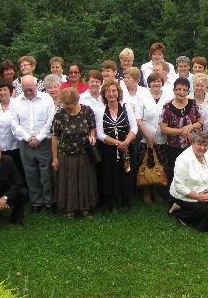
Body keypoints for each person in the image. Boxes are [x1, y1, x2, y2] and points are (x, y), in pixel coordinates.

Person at [10, 75, 55, 212]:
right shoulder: (16, 102)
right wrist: (28, 137)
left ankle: (49, 202)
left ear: (37, 86)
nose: (29, 93)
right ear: (21, 88)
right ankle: (36, 202)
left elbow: (50, 121)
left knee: (46, 173)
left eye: (31, 90)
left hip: (44, 141)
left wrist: (39, 137)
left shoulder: (46, 99)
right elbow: (14, 123)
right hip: (25, 143)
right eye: (26, 90)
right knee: (30, 173)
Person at [51, 88, 98, 217]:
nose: (66, 106)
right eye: (64, 103)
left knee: (84, 180)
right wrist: (55, 158)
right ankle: (69, 209)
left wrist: (92, 135)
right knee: (68, 181)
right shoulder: (60, 114)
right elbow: (55, 137)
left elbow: (92, 128)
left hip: (84, 153)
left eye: (68, 104)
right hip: (66, 154)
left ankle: (85, 207)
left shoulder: (87, 111)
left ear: (76, 101)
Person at [97, 79, 138, 210]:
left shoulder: (126, 108)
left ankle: (126, 200)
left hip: (126, 147)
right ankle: (113, 201)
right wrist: (118, 143)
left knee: (126, 171)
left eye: (114, 90)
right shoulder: (100, 111)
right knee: (110, 173)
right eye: (108, 91)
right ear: (104, 94)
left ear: (118, 93)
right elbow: (100, 134)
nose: (111, 93)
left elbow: (134, 127)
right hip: (108, 149)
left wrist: (126, 142)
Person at [168, 131, 208, 233]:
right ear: (192, 143)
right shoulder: (183, 159)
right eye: (199, 144)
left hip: (204, 191)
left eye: (205, 145)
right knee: (207, 208)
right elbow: (179, 186)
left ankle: (179, 207)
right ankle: (182, 216)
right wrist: (199, 197)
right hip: (183, 194)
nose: (202, 148)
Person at [135, 71, 173, 204]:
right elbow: (138, 119)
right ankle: (146, 192)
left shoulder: (168, 96)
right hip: (145, 138)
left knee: (159, 165)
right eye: (153, 81)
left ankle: (156, 191)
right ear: (149, 83)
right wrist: (148, 136)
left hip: (162, 138)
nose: (156, 84)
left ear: (162, 83)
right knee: (145, 165)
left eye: (158, 81)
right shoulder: (142, 97)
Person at [160, 77, 204, 182]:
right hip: (173, 147)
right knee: (176, 172)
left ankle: (192, 195)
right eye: (179, 89)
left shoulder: (194, 104)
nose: (181, 92)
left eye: (185, 90)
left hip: (192, 146)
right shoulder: (167, 107)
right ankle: (175, 197)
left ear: (188, 91)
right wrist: (180, 131)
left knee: (192, 172)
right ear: (174, 90)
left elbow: (201, 121)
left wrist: (191, 126)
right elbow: (163, 128)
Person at [0, 79, 24, 182]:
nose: (2, 92)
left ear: (10, 91)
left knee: (18, 173)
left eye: (5, 90)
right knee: (2, 176)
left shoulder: (18, 104)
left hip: (15, 147)